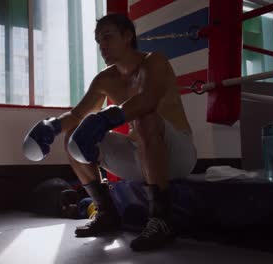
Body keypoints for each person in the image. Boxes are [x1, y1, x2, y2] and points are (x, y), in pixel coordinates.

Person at [22, 13, 197, 251]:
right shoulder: (105, 79)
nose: (102, 46)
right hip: (140, 156)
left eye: (107, 37)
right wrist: (50, 126)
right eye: (98, 41)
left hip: (177, 155)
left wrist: (105, 118)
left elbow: (147, 100)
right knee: (72, 134)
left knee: (146, 118)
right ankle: (106, 213)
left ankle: (161, 219)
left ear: (128, 36)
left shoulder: (154, 62)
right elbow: (76, 115)